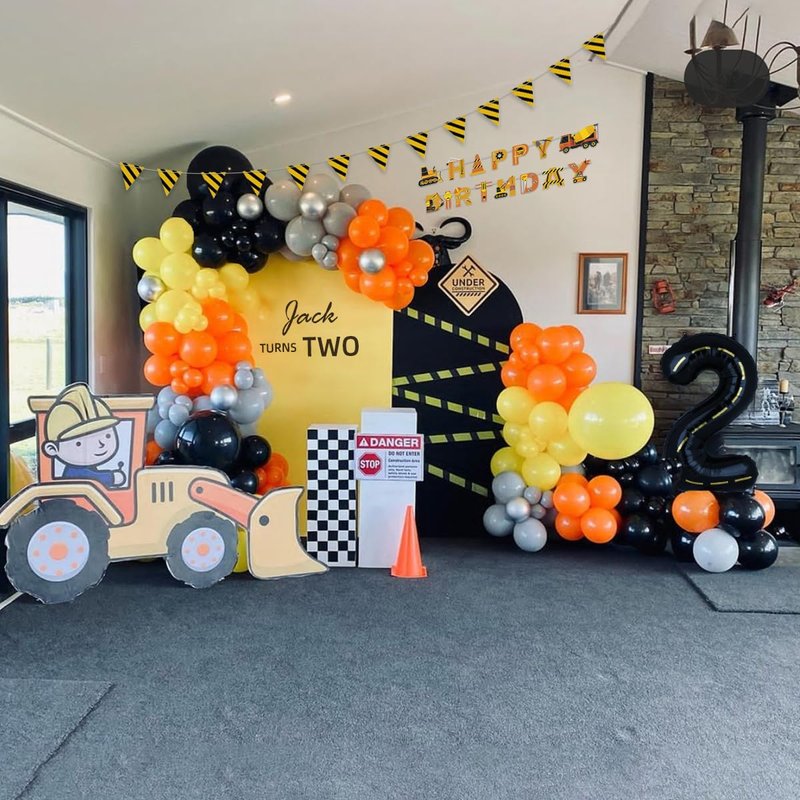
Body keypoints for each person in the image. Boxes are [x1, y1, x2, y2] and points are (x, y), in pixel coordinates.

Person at [41, 384, 125, 488]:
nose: (101, 444)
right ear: (52, 449)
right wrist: (112, 477)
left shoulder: (87, 465)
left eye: (107, 436)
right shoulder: (75, 471)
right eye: (79, 443)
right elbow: (94, 479)